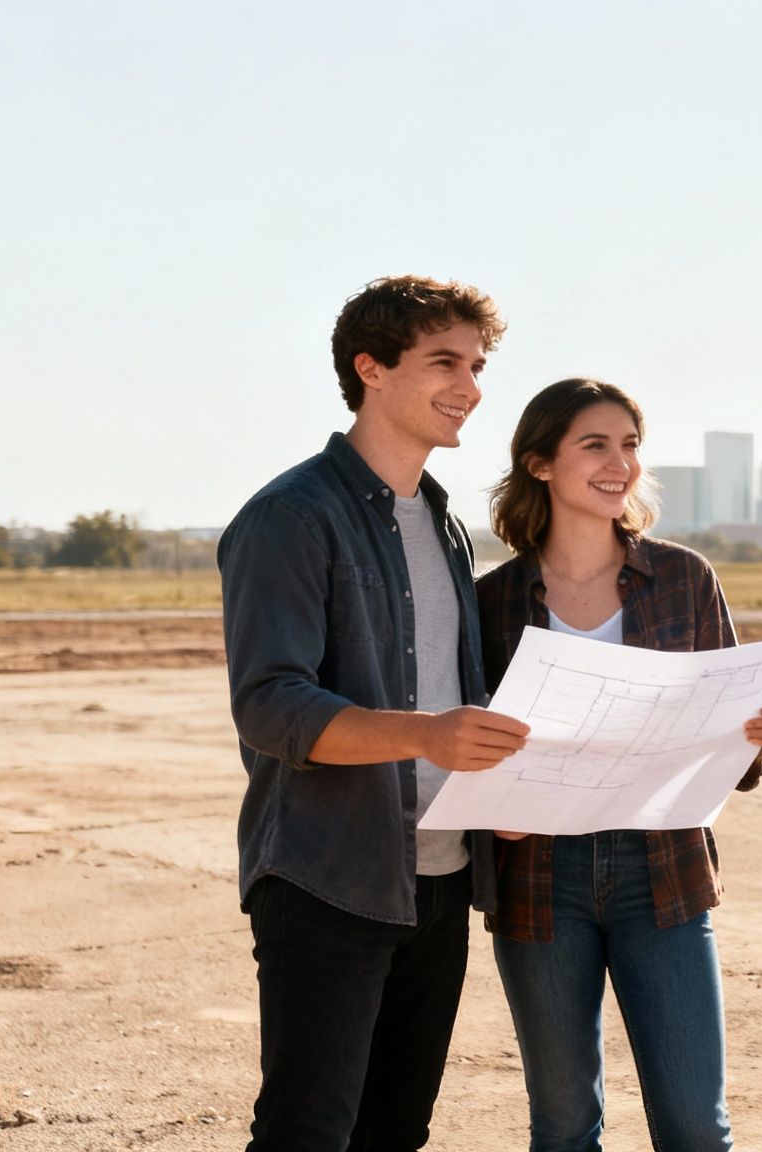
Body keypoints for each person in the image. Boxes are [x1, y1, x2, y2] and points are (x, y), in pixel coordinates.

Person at [218, 275, 532, 1151]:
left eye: (476, 364)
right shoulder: (290, 515)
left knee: (397, 1131)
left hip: (438, 881)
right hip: (329, 878)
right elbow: (270, 705)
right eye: (444, 361)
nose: (469, 386)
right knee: (307, 1134)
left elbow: (455, 690)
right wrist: (426, 735)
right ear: (371, 368)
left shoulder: (445, 523)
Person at [476, 378, 762, 1152]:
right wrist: (495, 809)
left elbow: (731, 751)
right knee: (562, 1127)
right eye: (595, 444)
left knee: (695, 1127)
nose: (619, 462)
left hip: (666, 874)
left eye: (630, 445)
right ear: (540, 463)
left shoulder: (684, 578)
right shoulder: (487, 601)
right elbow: (470, 749)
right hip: (537, 882)